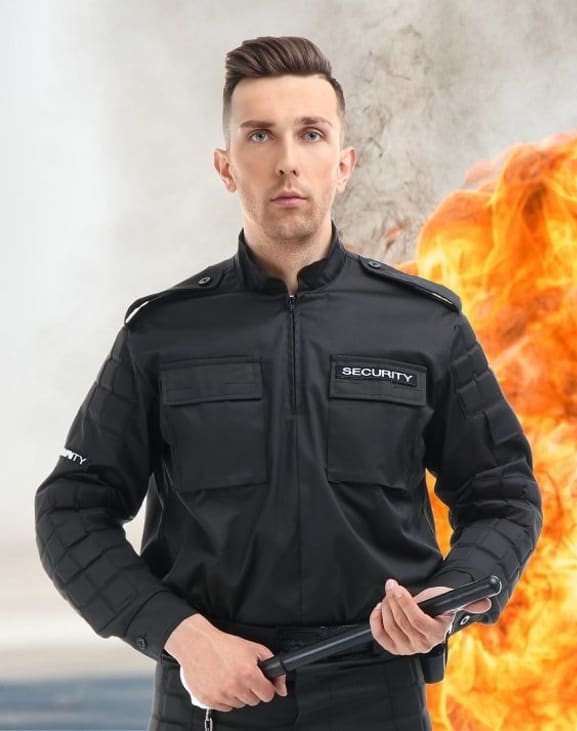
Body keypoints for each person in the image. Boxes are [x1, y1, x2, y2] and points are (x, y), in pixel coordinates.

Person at [34, 36, 543, 731]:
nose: (287, 161)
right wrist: (182, 636)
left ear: (344, 163)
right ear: (226, 166)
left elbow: (503, 494)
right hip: (211, 700)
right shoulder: (163, 334)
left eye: (310, 134)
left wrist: (448, 600)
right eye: (259, 135)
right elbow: (71, 509)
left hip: (377, 696)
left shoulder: (425, 326)